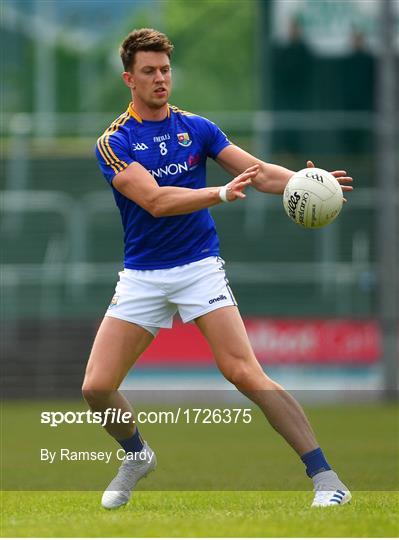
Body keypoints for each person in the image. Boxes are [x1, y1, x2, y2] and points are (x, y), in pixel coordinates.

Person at [83, 28, 353, 510]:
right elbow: (156, 200)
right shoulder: (114, 141)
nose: (160, 79)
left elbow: (258, 171)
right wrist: (219, 194)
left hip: (198, 268)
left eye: (165, 69)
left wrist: (308, 184)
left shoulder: (197, 128)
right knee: (97, 387)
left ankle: (326, 478)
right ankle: (138, 454)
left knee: (244, 372)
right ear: (130, 78)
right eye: (149, 71)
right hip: (143, 275)